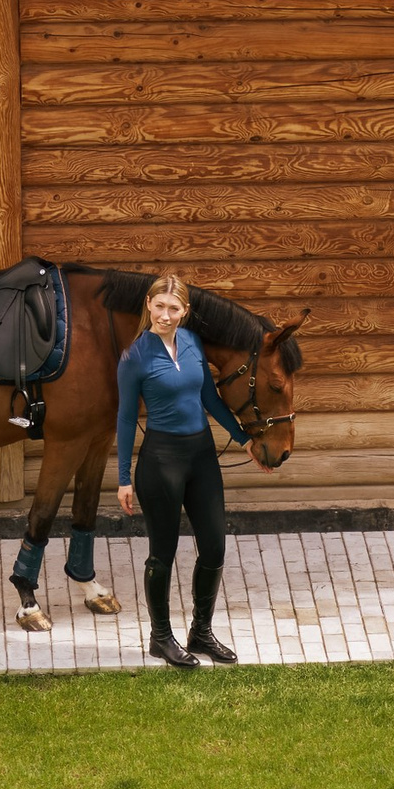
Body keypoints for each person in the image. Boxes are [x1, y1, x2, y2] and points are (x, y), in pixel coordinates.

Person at [115, 271, 247, 669]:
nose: (165, 315)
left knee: (214, 547)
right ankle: (160, 638)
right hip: (161, 461)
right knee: (163, 554)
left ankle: (201, 632)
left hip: (202, 457)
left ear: (185, 311)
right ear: (149, 307)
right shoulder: (134, 357)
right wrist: (123, 477)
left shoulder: (191, 342)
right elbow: (124, 419)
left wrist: (245, 440)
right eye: (159, 307)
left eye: (174, 308)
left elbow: (210, 397)